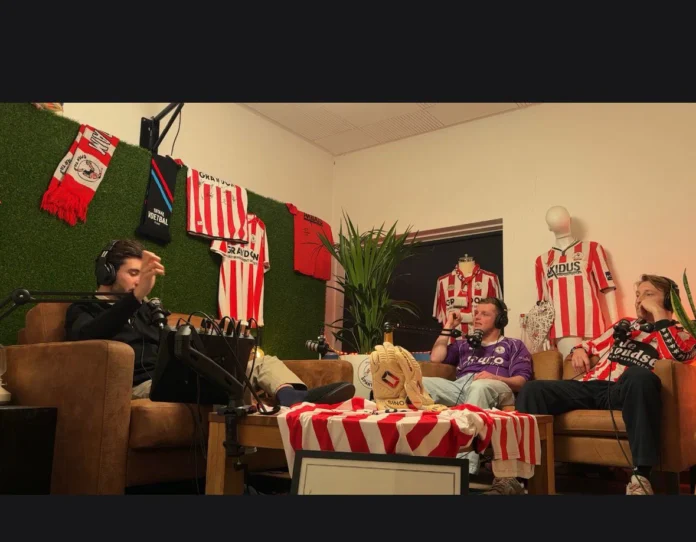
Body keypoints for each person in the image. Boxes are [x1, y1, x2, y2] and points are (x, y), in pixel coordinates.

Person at [64, 239, 356, 406]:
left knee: (255, 363)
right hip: (140, 387)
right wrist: (136, 296)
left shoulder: (147, 311)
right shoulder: (83, 308)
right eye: (132, 273)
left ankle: (296, 400)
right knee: (223, 386)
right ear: (106, 273)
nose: (139, 281)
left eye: (142, 275)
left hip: (173, 377)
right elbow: (87, 337)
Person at [492, 274, 696, 496]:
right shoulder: (625, 326)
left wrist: (659, 315)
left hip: (627, 390)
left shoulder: (682, 334)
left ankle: (641, 478)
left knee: (639, 375)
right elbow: (590, 345)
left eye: (648, 294)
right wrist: (579, 349)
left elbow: (677, 355)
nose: (639, 300)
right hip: (594, 386)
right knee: (533, 389)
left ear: (668, 300)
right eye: (638, 295)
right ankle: (517, 478)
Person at [424, 297, 533, 476]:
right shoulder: (464, 344)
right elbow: (436, 358)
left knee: (479, 387)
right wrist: (448, 326)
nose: (477, 317)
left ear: (500, 320)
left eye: (484, 314)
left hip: (497, 387)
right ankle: (419, 460)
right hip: (462, 386)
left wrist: (494, 377)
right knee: (420, 383)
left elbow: (521, 382)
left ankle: (465, 468)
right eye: (476, 313)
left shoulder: (514, 345)